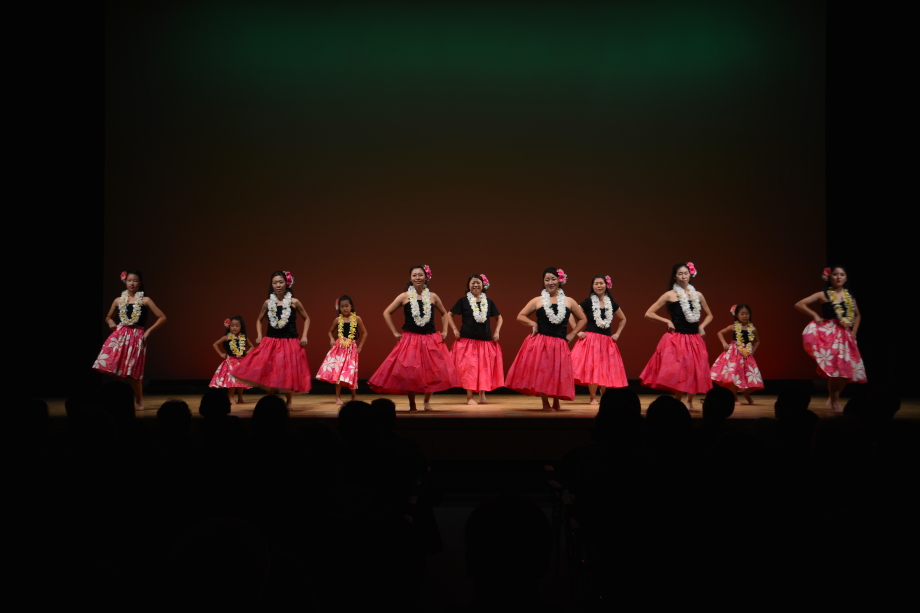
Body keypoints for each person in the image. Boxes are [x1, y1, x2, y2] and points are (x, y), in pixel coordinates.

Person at [368, 265, 457, 412]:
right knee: (410, 373)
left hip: (430, 338)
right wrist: (394, 332)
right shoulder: (404, 296)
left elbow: (444, 313)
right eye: (414, 275)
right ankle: (412, 404)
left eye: (420, 275)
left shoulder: (433, 296)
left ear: (426, 277)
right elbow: (386, 312)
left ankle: (427, 402)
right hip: (411, 339)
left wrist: (445, 330)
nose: (417, 277)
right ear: (410, 278)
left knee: (433, 371)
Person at [505, 267, 587, 411]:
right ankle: (545, 403)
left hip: (560, 343)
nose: (550, 282)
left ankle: (556, 401)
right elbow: (520, 316)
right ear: (543, 282)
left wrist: (572, 334)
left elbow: (583, 319)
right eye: (547, 280)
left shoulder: (569, 301)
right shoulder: (538, 300)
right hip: (542, 342)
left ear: (560, 280)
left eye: (553, 279)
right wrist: (534, 324)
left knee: (557, 373)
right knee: (543, 373)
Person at [230, 270, 311, 409]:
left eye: (280, 282)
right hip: (272, 341)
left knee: (287, 371)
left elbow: (307, 318)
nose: (278, 285)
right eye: (275, 283)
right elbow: (259, 320)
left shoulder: (294, 302)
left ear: (286, 283)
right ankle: (270, 401)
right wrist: (259, 335)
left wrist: (304, 335)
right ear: (271, 285)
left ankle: (289, 401)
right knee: (270, 370)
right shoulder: (268, 303)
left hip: (289, 341)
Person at [639, 262, 713, 410]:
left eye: (686, 273)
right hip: (678, 338)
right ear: (674, 277)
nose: (683, 276)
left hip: (694, 338)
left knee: (696, 369)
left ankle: (689, 401)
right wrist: (667, 321)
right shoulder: (670, 295)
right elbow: (648, 313)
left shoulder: (698, 295)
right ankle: (677, 403)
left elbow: (710, 315)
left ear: (690, 275)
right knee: (681, 371)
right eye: (680, 273)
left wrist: (702, 327)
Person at [795, 266, 866, 412]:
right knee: (836, 371)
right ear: (829, 277)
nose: (838, 277)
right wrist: (815, 315)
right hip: (830, 335)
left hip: (846, 336)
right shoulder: (823, 294)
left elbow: (858, 315)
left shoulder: (849, 296)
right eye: (835, 274)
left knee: (846, 373)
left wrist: (854, 331)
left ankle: (833, 397)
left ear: (846, 278)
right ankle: (835, 403)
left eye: (842, 274)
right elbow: (799, 304)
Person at [93, 270, 167, 410]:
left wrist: (148, 331)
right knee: (117, 371)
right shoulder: (118, 300)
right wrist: (110, 321)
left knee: (133, 372)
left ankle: (139, 399)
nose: (132, 283)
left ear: (140, 283)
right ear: (125, 282)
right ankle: (119, 400)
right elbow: (108, 317)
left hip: (136, 336)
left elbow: (162, 317)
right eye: (129, 280)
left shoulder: (145, 300)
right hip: (120, 336)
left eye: (135, 280)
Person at [444, 273, 504, 405]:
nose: (475, 285)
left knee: (483, 369)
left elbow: (499, 317)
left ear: (483, 285)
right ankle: (470, 397)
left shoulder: (489, 302)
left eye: (478, 283)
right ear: (468, 285)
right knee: (469, 370)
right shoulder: (463, 301)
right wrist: (454, 329)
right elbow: (449, 314)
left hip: (485, 341)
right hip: (468, 341)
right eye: (473, 283)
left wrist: (497, 331)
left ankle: (482, 394)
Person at [570, 274, 628, 405]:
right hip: (591, 340)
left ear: (606, 285)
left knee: (605, 369)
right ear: (592, 286)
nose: (599, 286)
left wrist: (617, 333)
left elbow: (623, 319)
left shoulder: (611, 303)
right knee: (593, 369)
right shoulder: (588, 302)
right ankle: (593, 398)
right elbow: (571, 314)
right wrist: (577, 331)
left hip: (607, 341)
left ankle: (604, 397)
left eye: (601, 283)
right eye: (596, 283)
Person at [316, 295, 368, 405]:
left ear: (351, 306)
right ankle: (337, 397)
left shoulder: (357, 318)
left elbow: (365, 333)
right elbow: (329, 331)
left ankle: (354, 396)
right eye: (342, 306)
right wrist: (331, 339)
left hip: (351, 349)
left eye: (346, 306)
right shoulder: (337, 320)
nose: (344, 308)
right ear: (339, 308)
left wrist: (360, 347)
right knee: (338, 373)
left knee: (350, 373)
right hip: (339, 348)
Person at [710, 304, 763, 405]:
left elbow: (757, 341)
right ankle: (734, 398)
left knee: (752, 376)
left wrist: (752, 351)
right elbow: (720, 333)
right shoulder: (733, 327)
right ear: (737, 315)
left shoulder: (752, 328)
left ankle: (746, 393)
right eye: (742, 314)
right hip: (735, 354)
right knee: (735, 376)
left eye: (747, 313)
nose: (745, 316)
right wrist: (724, 343)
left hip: (746, 354)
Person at [209, 316, 254, 404]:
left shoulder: (244, 338)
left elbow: (252, 346)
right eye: (232, 325)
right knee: (232, 381)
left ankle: (240, 397)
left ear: (241, 327)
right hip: (230, 362)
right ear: (229, 326)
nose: (234, 327)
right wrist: (221, 354)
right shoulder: (227, 337)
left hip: (241, 362)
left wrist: (247, 353)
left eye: (237, 326)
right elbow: (215, 344)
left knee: (241, 381)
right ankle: (231, 397)